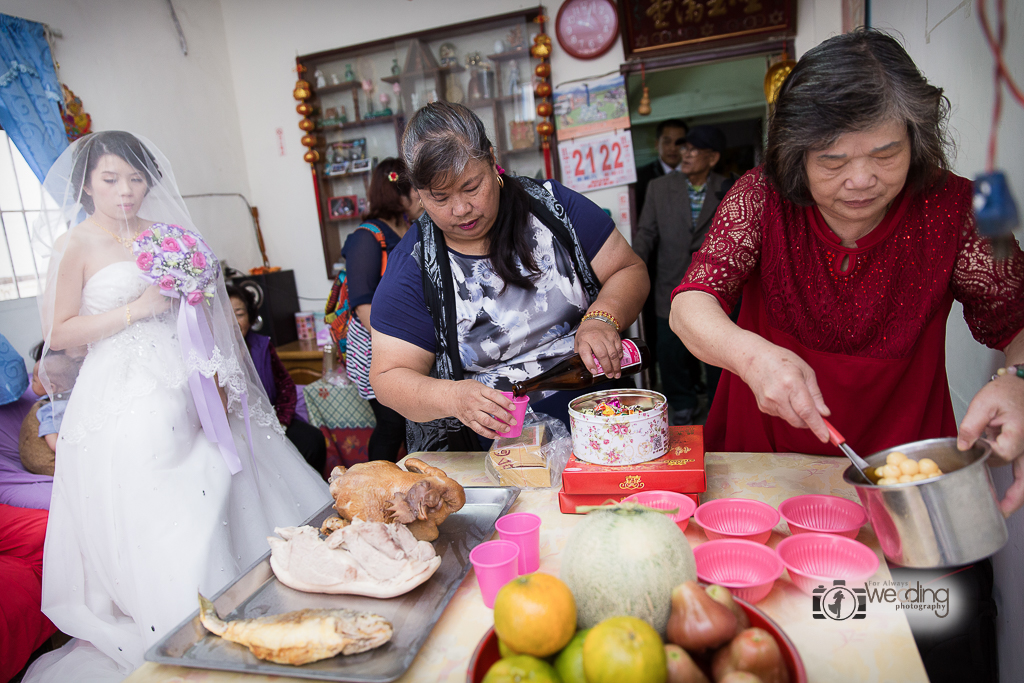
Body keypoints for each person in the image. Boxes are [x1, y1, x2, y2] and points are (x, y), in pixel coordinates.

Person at [670, 30, 1023, 683]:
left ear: (916, 139)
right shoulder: (760, 197)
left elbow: (1018, 319)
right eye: (832, 160)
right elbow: (691, 305)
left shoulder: (963, 208)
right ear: (793, 152)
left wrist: (1018, 378)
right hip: (769, 471)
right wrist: (752, 355)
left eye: (885, 152)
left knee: (919, 648)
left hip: (909, 492)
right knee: (769, 647)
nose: (861, 179)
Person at [26, 131, 331, 682]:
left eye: (136, 179)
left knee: (229, 470)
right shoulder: (76, 245)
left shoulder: (169, 236)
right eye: (111, 179)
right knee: (162, 485)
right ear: (87, 184)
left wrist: (213, 369)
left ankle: (256, 597)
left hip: (188, 374)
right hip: (121, 386)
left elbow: (205, 314)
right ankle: (182, 613)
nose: (126, 191)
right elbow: (61, 332)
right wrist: (138, 309)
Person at [369, 102, 649, 452]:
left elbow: (628, 269)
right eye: (439, 198)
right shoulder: (413, 267)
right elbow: (388, 378)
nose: (461, 209)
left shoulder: (552, 209)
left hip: (600, 413)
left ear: (490, 158)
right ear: (418, 193)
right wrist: (453, 397)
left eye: (471, 187)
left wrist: (602, 316)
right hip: (498, 446)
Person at [633, 125, 729, 424]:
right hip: (669, 285)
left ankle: (718, 410)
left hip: (717, 290)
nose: (685, 154)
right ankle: (682, 405)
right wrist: (630, 269)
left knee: (717, 354)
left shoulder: (727, 188)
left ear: (712, 158)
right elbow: (646, 234)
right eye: (685, 148)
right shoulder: (659, 188)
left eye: (694, 150)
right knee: (672, 353)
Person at [341, 158, 420, 462]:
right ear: (398, 192)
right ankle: (375, 480)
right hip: (378, 345)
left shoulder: (412, 229)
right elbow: (362, 305)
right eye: (416, 186)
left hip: (409, 340)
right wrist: (399, 342)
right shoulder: (366, 237)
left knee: (411, 420)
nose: (422, 194)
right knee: (392, 423)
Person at [227, 284, 327, 475]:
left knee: (312, 440)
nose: (233, 322)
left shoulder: (262, 345)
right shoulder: (211, 352)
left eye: (239, 313)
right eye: (226, 314)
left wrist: (281, 422)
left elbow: (285, 386)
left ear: (251, 316)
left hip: (272, 419)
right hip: (238, 430)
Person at [634, 118, 688, 364]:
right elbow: (644, 231)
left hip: (692, 268)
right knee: (663, 336)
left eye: (680, 142)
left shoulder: (700, 178)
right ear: (657, 144)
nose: (673, 148)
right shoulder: (642, 179)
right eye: (667, 141)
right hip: (657, 270)